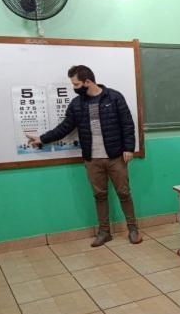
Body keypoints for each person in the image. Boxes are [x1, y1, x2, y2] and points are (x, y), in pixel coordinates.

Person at [27, 65, 142, 247]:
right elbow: (64, 128)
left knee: (124, 193)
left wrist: (129, 148)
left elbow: (127, 124)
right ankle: (104, 232)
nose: (74, 87)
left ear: (88, 82)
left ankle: (133, 229)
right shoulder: (77, 104)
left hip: (115, 157)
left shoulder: (114, 97)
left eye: (76, 84)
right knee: (99, 196)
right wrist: (42, 138)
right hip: (92, 159)